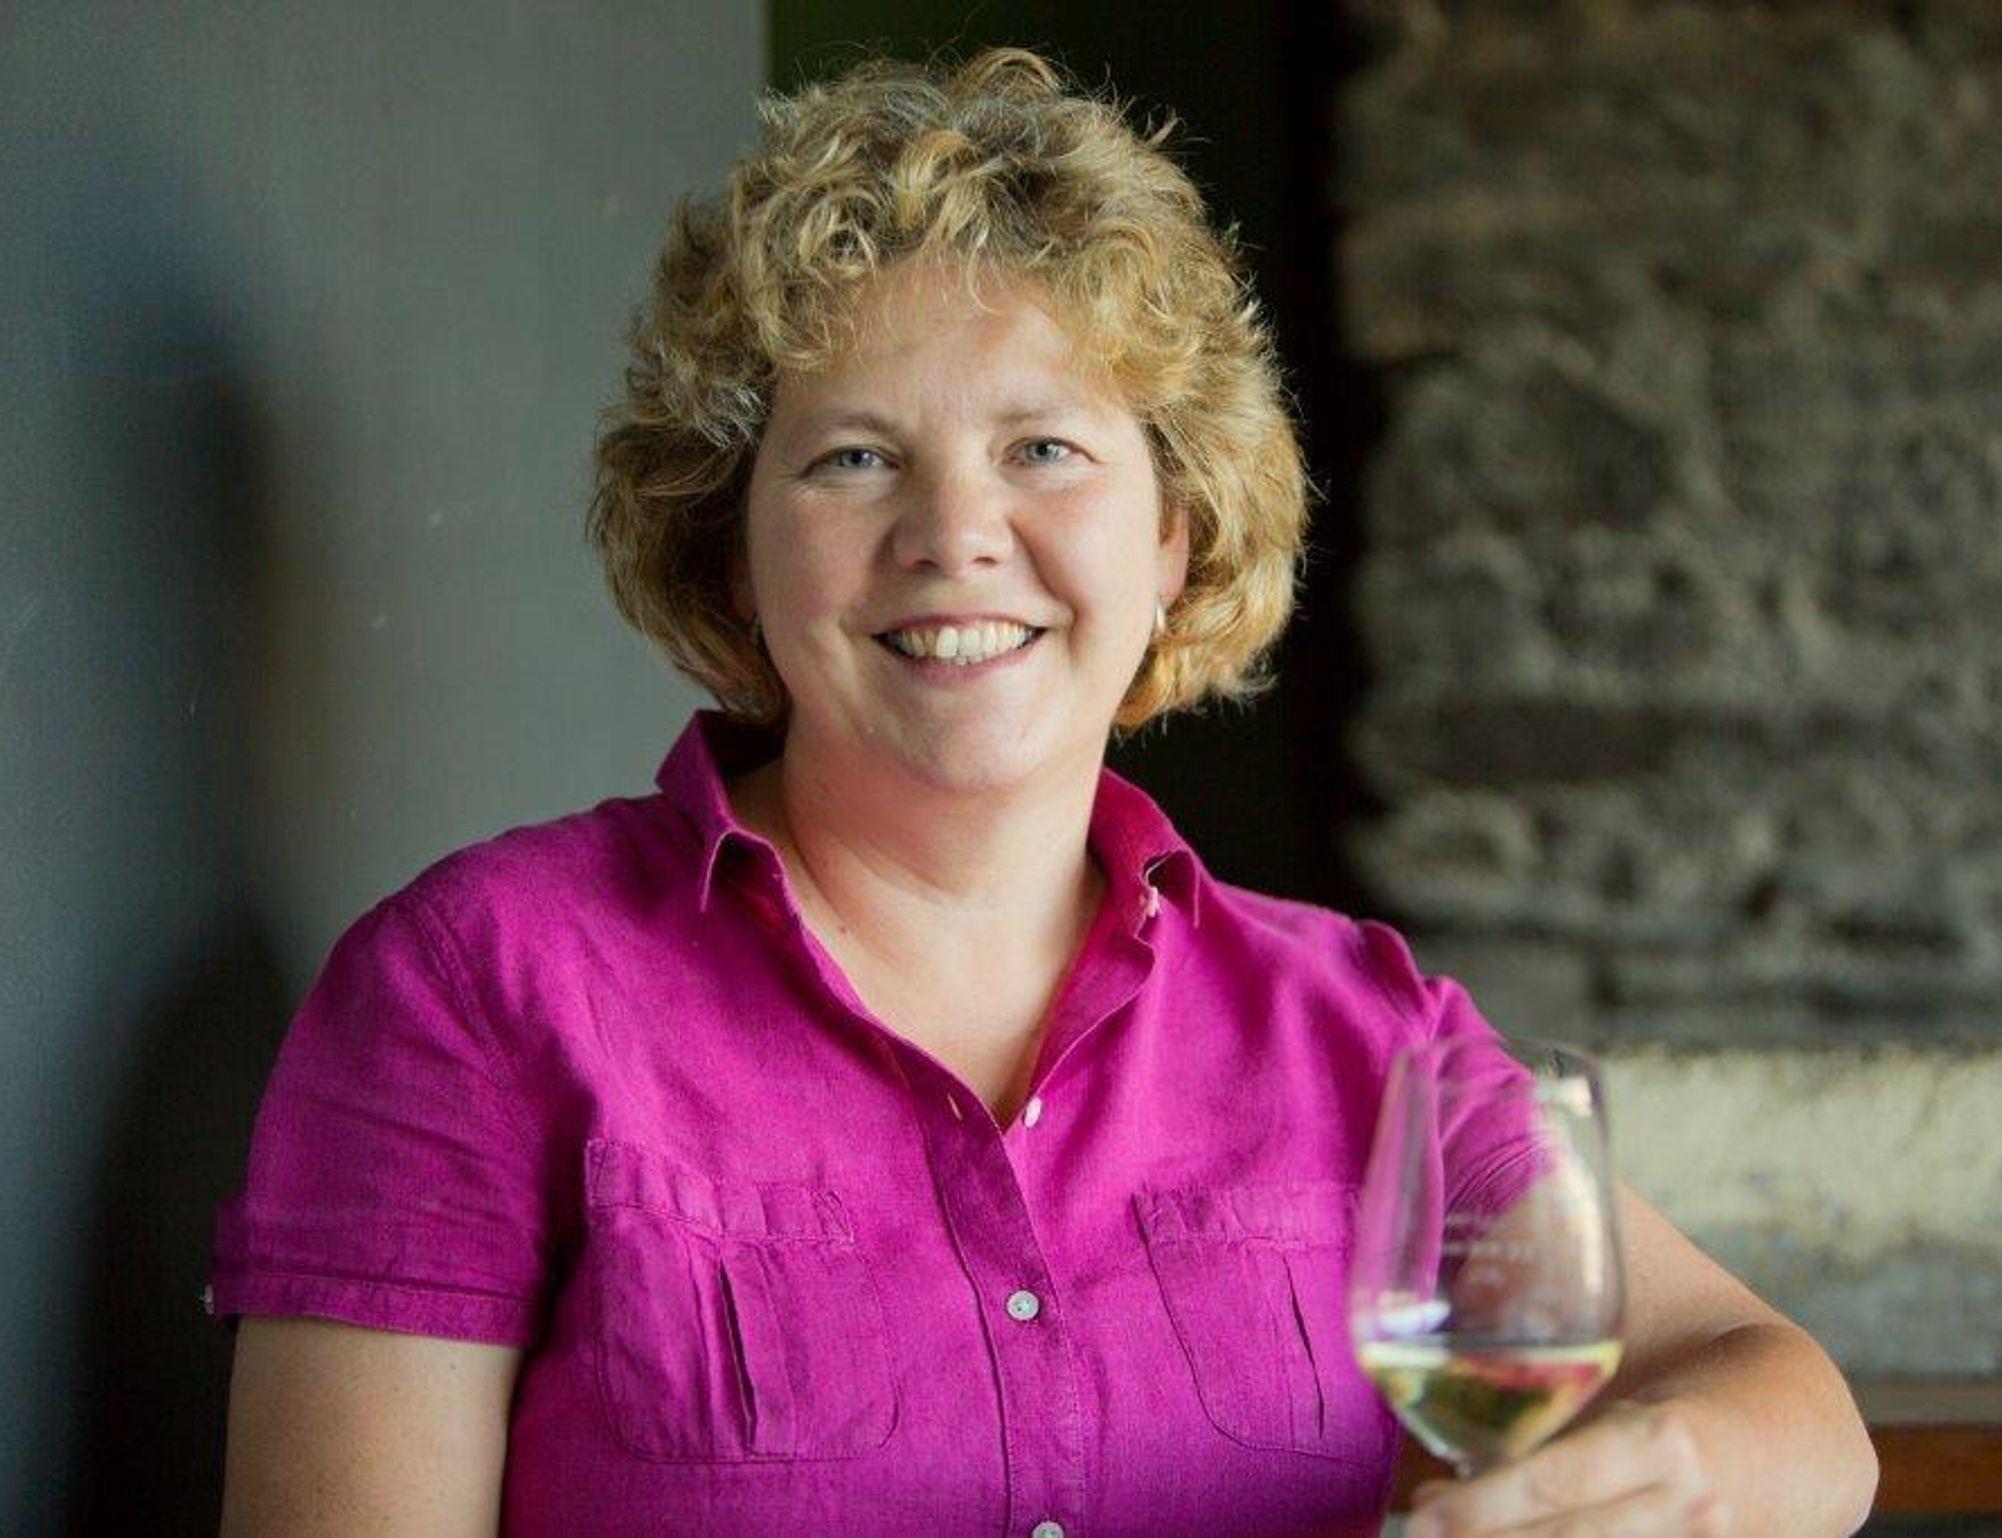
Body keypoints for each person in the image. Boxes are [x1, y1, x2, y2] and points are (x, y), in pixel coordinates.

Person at [211, 47, 1877, 1536]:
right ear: (733, 552)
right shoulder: (476, 987)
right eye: (854, 455)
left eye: (1045, 449)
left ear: (1172, 541)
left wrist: (1678, 1475)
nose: (956, 535)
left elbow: (1789, 1401)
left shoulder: (1361, 1030)